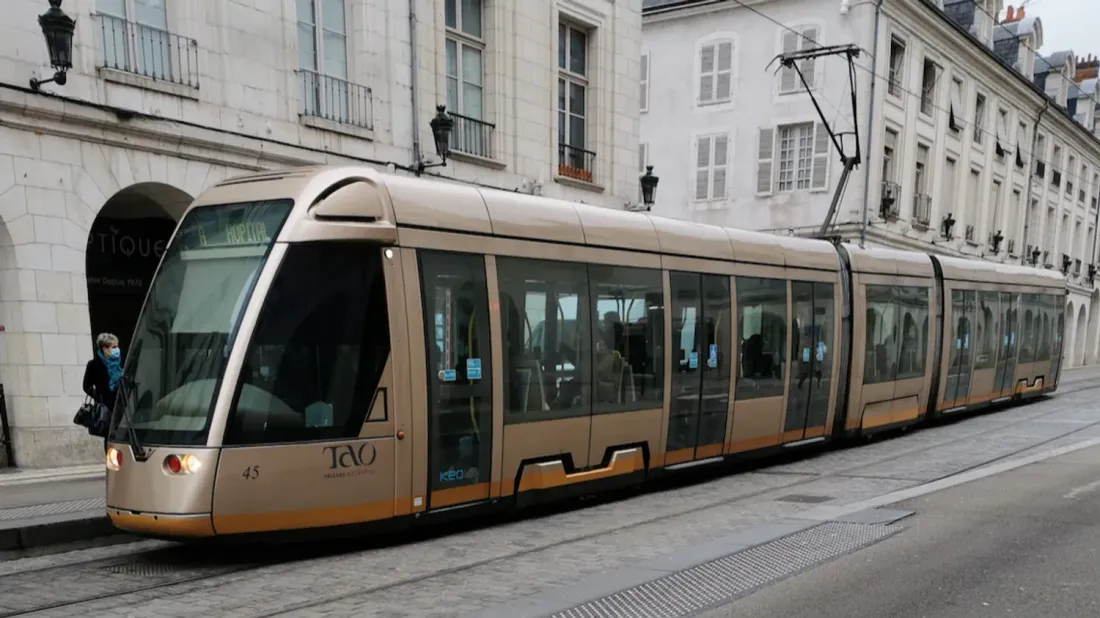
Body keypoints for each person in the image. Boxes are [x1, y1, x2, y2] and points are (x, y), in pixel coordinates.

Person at [83, 333, 122, 452]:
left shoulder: (120, 363)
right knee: (109, 435)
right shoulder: (94, 365)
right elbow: (86, 386)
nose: (117, 350)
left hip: (121, 405)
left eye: (117, 346)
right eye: (114, 347)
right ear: (105, 349)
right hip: (107, 407)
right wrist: (99, 397)